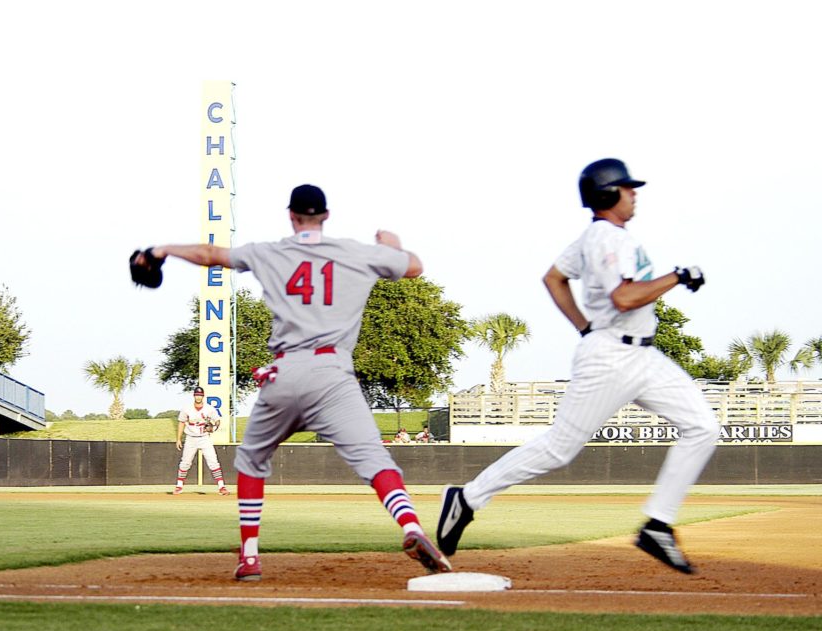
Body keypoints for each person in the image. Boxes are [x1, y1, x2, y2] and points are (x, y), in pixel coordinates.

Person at [139, 184, 451, 581]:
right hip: (333, 375)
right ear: (326, 216)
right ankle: (411, 528)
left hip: (285, 372)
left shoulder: (271, 252)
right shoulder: (356, 252)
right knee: (375, 461)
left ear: (291, 215)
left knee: (252, 459)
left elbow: (210, 255)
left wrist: (162, 250)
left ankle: (249, 556)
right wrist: (391, 243)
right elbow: (413, 266)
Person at [437, 159, 717, 574]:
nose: (633, 192)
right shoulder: (605, 238)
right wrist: (676, 276)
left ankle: (658, 524)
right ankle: (467, 498)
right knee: (558, 449)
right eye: (626, 188)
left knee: (703, 426)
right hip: (611, 357)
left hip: (641, 354)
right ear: (607, 195)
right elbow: (623, 298)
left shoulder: (599, 236)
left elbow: (554, 277)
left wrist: (584, 326)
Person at [174, 386, 228, 496]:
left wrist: (214, 428)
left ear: (203, 396)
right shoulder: (187, 408)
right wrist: (178, 439)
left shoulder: (209, 408)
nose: (198, 397)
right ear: (194, 395)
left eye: (200, 395)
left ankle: (221, 487)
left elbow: (217, 421)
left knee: (213, 462)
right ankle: (179, 486)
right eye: (197, 395)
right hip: (190, 437)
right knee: (185, 463)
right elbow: (181, 423)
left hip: (204, 438)